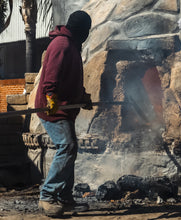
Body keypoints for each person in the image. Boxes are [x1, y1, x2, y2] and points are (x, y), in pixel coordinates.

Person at [35, 10, 92, 217]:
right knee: (67, 147)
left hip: (64, 108)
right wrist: (51, 98)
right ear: (81, 30)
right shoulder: (62, 45)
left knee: (70, 148)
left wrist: (82, 96)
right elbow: (51, 78)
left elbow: (71, 78)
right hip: (52, 108)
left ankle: (65, 198)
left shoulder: (72, 45)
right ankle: (48, 196)